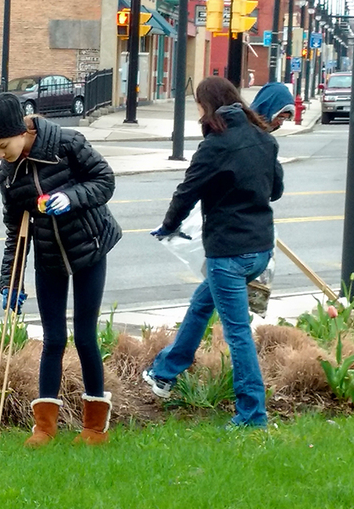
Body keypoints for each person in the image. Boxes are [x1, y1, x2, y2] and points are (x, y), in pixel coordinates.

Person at [0, 93, 122, 446]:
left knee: (86, 336)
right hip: (48, 257)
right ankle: (44, 427)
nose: (0, 155)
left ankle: (94, 428)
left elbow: (105, 180)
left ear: (20, 131)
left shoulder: (66, 143)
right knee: (53, 339)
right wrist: (8, 281)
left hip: (89, 247)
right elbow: (16, 231)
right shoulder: (9, 175)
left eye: (2, 146)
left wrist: (71, 197)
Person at [146, 76, 284, 429]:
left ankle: (253, 415)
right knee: (201, 304)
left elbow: (187, 191)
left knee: (237, 334)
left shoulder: (215, 146)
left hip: (228, 255)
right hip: (260, 251)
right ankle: (164, 373)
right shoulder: (263, 138)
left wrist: (167, 226)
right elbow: (276, 190)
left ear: (208, 107)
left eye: (198, 106)